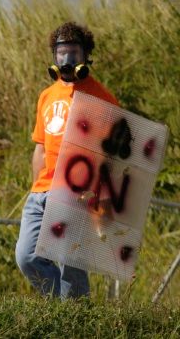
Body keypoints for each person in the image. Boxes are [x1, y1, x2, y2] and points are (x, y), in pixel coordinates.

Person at [15, 21, 119, 299]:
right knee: (26, 257)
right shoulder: (46, 96)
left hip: (77, 190)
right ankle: (63, 308)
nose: (67, 60)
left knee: (69, 262)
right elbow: (40, 147)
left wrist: (102, 196)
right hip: (42, 191)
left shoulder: (102, 98)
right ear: (53, 56)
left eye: (73, 53)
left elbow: (112, 155)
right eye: (61, 54)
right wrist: (36, 185)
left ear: (86, 56)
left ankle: (75, 316)